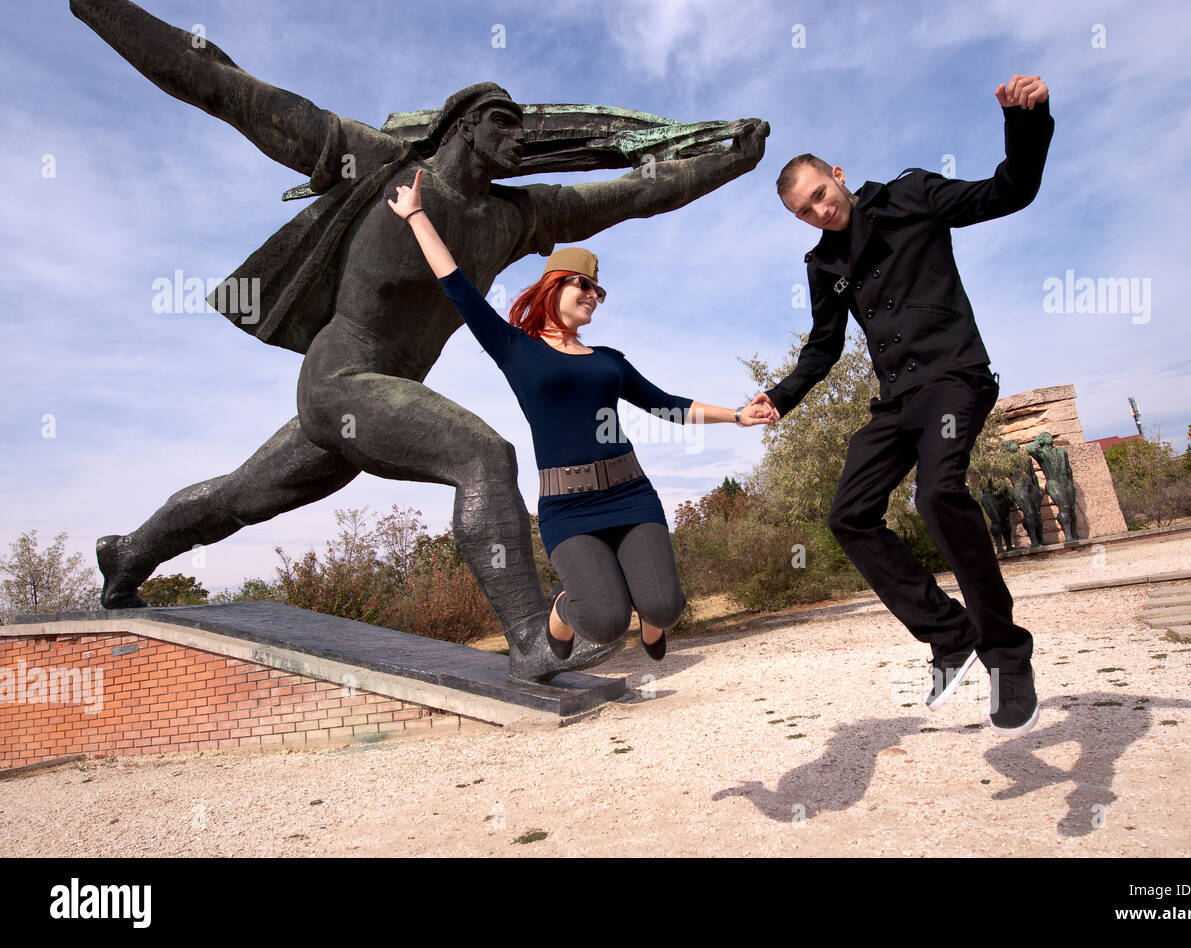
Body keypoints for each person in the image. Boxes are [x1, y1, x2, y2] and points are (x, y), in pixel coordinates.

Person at [73, 0, 768, 684]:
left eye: (523, 129)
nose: (519, 138)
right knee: (483, 455)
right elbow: (226, 88)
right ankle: (530, 637)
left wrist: (731, 161)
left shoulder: (518, 216)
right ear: (463, 126)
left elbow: (639, 193)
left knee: (240, 498)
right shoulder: (377, 165)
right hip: (340, 379)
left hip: (386, 396)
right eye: (504, 124)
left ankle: (129, 553)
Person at [750, 74, 1055, 735]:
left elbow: (1010, 191)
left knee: (938, 495)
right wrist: (779, 398)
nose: (819, 212)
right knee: (849, 515)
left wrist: (1027, 123)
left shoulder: (912, 194)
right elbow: (824, 349)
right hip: (894, 403)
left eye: (821, 196)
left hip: (953, 379)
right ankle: (949, 635)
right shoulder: (821, 263)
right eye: (803, 211)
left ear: (838, 175)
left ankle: (1006, 653)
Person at [390, 169, 776, 663]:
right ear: (555, 285)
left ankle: (655, 628)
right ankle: (562, 611)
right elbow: (458, 288)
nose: (594, 295)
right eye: (584, 285)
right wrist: (417, 216)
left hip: (630, 493)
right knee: (605, 621)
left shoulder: (608, 360)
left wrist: (737, 415)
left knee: (665, 605)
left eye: (599, 291)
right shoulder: (516, 349)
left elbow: (668, 405)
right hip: (567, 507)